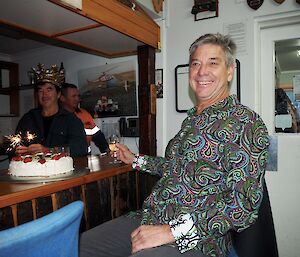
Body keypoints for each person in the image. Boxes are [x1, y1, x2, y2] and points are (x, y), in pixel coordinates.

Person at [79, 33, 269, 257]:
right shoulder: (192, 120)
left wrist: (172, 232)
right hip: (151, 217)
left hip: (198, 239)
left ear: (229, 71)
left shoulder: (245, 123)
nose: (202, 71)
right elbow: (174, 168)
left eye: (213, 63)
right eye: (195, 63)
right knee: (81, 245)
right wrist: (135, 159)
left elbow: (243, 205)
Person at [15, 64, 88, 158]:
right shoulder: (28, 118)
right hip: (32, 170)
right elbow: (14, 145)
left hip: (61, 170)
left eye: (49, 89)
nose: (44, 94)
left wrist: (49, 150)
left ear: (58, 94)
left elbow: (80, 148)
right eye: (40, 91)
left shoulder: (70, 120)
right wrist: (20, 151)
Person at [60, 83, 108, 154]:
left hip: (85, 159)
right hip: (65, 161)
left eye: (78, 96)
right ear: (62, 98)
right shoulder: (57, 117)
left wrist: (107, 151)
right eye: (73, 96)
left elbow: (98, 136)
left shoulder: (84, 114)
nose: (77, 99)